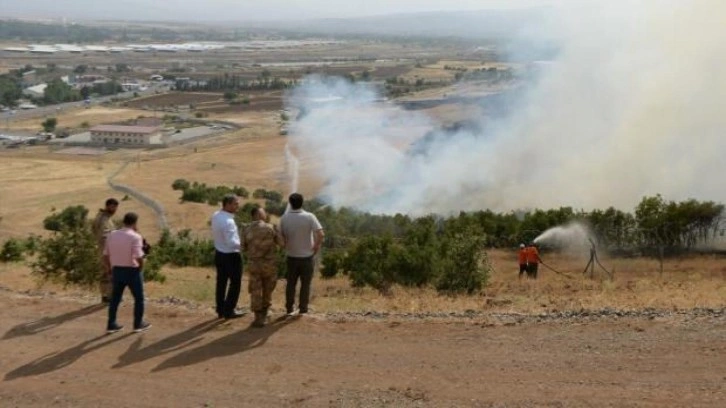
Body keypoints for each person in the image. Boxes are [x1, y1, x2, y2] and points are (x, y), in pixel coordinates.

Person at [105, 212, 151, 334]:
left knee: (115, 299)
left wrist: (109, 269)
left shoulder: (112, 235)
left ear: (123, 221)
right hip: (132, 270)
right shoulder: (135, 237)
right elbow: (138, 256)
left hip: (117, 270)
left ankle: (111, 324)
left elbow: (106, 255)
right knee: (139, 298)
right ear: (135, 223)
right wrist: (140, 267)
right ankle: (138, 323)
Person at [280, 193, 324, 316]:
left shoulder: (284, 218)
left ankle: (289, 308)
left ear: (290, 203)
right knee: (306, 284)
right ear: (302, 202)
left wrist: (285, 245)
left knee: (291, 284)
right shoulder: (309, 216)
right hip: (307, 257)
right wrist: (316, 246)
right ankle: (303, 309)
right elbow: (321, 234)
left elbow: (280, 235)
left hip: (291, 256)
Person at [242, 206, 285, 327]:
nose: (265, 214)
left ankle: (257, 317)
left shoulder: (246, 229)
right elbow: (282, 244)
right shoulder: (271, 228)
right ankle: (265, 313)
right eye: (263, 212)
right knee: (268, 289)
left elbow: (243, 247)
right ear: (259, 215)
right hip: (268, 265)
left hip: (254, 265)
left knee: (255, 290)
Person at [211, 194, 244, 319]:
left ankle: (220, 309)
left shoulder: (216, 215)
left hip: (219, 253)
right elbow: (232, 243)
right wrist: (244, 246)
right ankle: (229, 310)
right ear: (228, 204)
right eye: (235, 203)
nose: (237, 206)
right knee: (235, 283)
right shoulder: (229, 221)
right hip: (231, 255)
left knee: (221, 282)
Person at [92, 198, 119, 303]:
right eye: (113, 207)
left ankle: (105, 295)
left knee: (104, 273)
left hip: (102, 249)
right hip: (106, 250)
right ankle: (110, 296)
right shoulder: (103, 219)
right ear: (107, 206)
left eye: (115, 207)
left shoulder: (103, 217)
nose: (114, 209)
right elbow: (105, 236)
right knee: (109, 272)